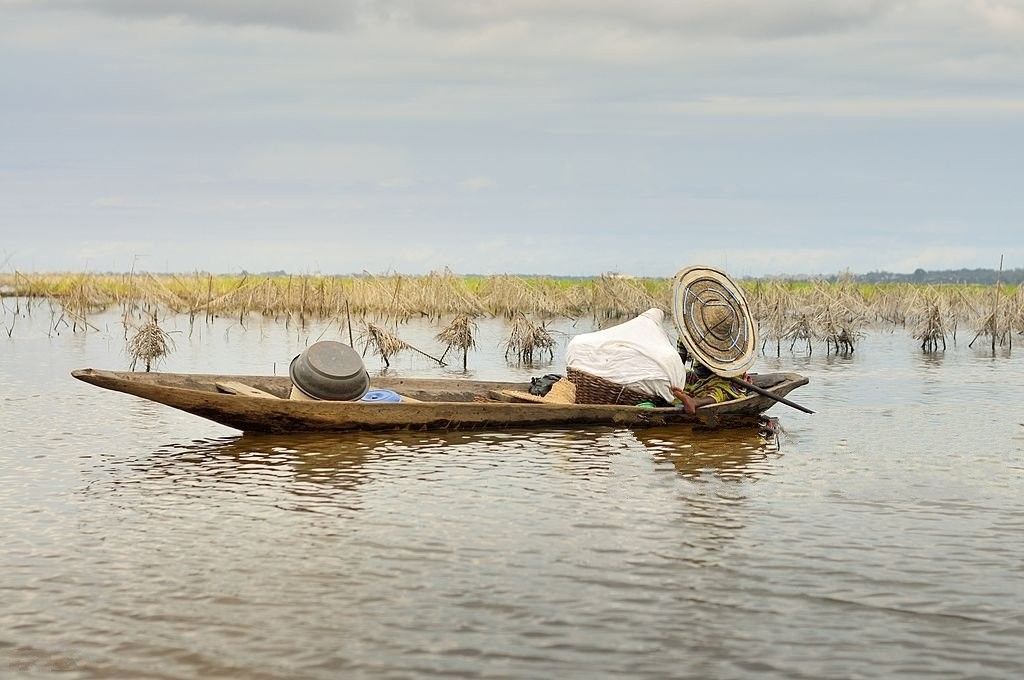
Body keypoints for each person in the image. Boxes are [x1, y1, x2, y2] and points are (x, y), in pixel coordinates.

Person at [670, 340, 747, 414]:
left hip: (724, 376)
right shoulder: (685, 335)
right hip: (699, 377)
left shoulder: (733, 339)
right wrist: (676, 379)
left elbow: (739, 363)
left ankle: (695, 402)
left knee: (723, 388)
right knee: (674, 378)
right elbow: (679, 366)